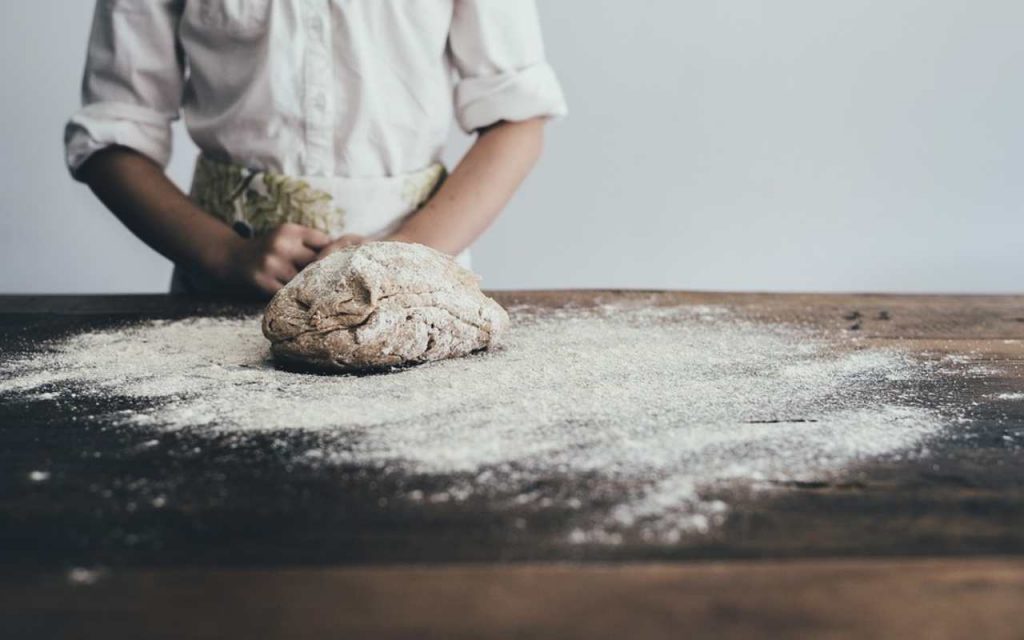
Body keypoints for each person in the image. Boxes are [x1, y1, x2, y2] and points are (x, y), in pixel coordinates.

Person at [65, 0, 567, 297]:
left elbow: (516, 118)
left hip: (419, 284)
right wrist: (223, 254)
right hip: (225, 289)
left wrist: (407, 257)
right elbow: (112, 132)